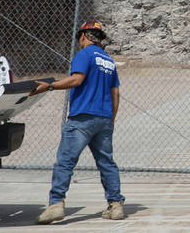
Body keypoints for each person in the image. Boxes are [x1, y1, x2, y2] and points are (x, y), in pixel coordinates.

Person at [31, 21, 125, 224]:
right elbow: (115, 93)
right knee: (107, 163)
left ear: (83, 36)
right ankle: (116, 205)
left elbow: (77, 80)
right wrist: (111, 120)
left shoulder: (84, 55)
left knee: (65, 162)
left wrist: (49, 86)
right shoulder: (108, 60)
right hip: (104, 119)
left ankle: (56, 204)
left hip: (82, 118)